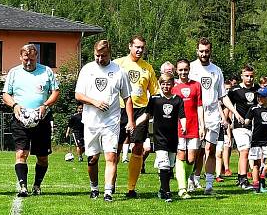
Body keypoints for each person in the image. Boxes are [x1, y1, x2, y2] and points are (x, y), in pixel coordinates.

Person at [74, 39, 134, 202]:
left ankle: (108, 191)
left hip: (111, 122)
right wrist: (95, 102)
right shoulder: (87, 70)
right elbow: (78, 95)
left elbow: (127, 98)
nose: (100, 59)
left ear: (110, 54)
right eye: (97, 56)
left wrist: (130, 120)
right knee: (92, 159)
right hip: (91, 122)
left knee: (111, 156)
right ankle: (94, 187)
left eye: (103, 56)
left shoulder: (119, 71)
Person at [2, 44, 60, 196]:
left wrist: (45, 105)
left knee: (42, 157)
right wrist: (14, 105)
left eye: (32, 60)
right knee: (21, 153)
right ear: (21, 57)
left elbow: (55, 92)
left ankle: (37, 185)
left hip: (42, 120)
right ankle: (23, 187)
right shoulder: (14, 73)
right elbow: (6, 94)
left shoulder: (46, 71)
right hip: (20, 120)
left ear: (36, 58)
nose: (29, 62)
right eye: (26, 59)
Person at [113, 35, 159, 197]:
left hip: (140, 111)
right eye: (136, 47)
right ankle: (110, 183)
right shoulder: (118, 64)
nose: (139, 50)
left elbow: (155, 93)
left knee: (137, 147)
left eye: (142, 47)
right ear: (130, 46)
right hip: (119, 109)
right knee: (116, 148)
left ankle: (131, 188)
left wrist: (149, 113)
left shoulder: (148, 68)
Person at [136, 71, 186, 203]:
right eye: (163, 84)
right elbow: (147, 115)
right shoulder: (154, 99)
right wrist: (134, 123)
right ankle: (167, 192)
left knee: (169, 166)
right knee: (163, 163)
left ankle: (162, 190)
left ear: (173, 84)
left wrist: (184, 126)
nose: (166, 86)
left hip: (173, 138)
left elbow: (182, 115)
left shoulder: (177, 99)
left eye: (168, 84)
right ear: (160, 84)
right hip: (159, 137)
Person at [188, 37, 227, 195]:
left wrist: (233, 114)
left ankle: (209, 185)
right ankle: (192, 179)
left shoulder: (216, 70)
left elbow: (222, 96)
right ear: (197, 51)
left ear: (210, 51)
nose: (204, 54)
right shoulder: (190, 68)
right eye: (201, 51)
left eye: (207, 51)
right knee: (195, 150)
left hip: (212, 115)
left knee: (210, 149)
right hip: (195, 114)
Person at [172, 58, 204, 199]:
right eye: (180, 69)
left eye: (185, 69)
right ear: (176, 70)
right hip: (178, 126)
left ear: (189, 69)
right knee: (181, 156)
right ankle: (182, 187)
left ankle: (188, 180)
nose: (183, 72)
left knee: (191, 159)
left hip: (193, 125)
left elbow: (199, 106)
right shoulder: (173, 86)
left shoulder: (196, 85)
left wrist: (202, 125)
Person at [223, 65, 259, 190]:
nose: (249, 78)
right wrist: (226, 120)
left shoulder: (258, 90)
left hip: (254, 126)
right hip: (239, 125)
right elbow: (226, 104)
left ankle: (240, 177)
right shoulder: (235, 90)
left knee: (244, 153)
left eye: (251, 76)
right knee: (245, 151)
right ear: (242, 76)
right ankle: (244, 180)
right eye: (247, 76)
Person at [245, 87, 267, 193]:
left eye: (262, 96)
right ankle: (256, 185)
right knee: (256, 164)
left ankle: (263, 176)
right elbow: (246, 122)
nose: (259, 98)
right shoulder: (253, 109)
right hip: (256, 140)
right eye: (258, 96)